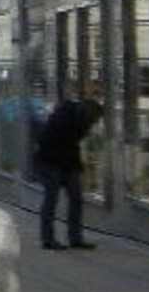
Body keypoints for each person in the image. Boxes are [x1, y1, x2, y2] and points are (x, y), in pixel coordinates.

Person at [33, 97, 102, 250]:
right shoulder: (63, 118)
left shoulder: (81, 121)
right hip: (49, 162)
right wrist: (74, 166)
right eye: (93, 120)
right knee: (51, 198)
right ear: (87, 115)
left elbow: (73, 145)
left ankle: (75, 238)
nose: (93, 124)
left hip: (67, 162)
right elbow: (54, 143)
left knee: (76, 199)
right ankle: (48, 239)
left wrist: (76, 166)